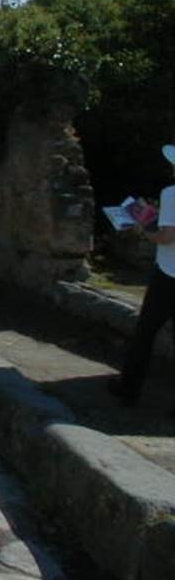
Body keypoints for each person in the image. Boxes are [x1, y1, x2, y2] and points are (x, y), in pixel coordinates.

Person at [109, 144, 175, 406]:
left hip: (169, 273)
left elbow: (167, 237)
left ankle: (129, 387)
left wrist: (144, 226)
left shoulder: (171, 193)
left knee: (146, 332)